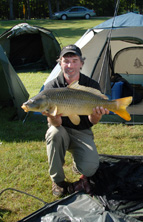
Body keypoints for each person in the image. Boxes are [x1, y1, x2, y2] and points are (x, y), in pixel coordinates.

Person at [43, 44, 109, 197]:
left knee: (90, 169)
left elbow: (92, 121)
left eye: (74, 60)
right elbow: (56, 124)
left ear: (81, 63)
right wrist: (53, 117)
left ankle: (77, 162)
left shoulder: (91, 85)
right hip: (61, 130)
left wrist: (97, 114)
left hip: (82, 131)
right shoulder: (51, 87)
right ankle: (58, 181)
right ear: (60, 63)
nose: (70, 65)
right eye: (66, 61)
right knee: (54, 133)